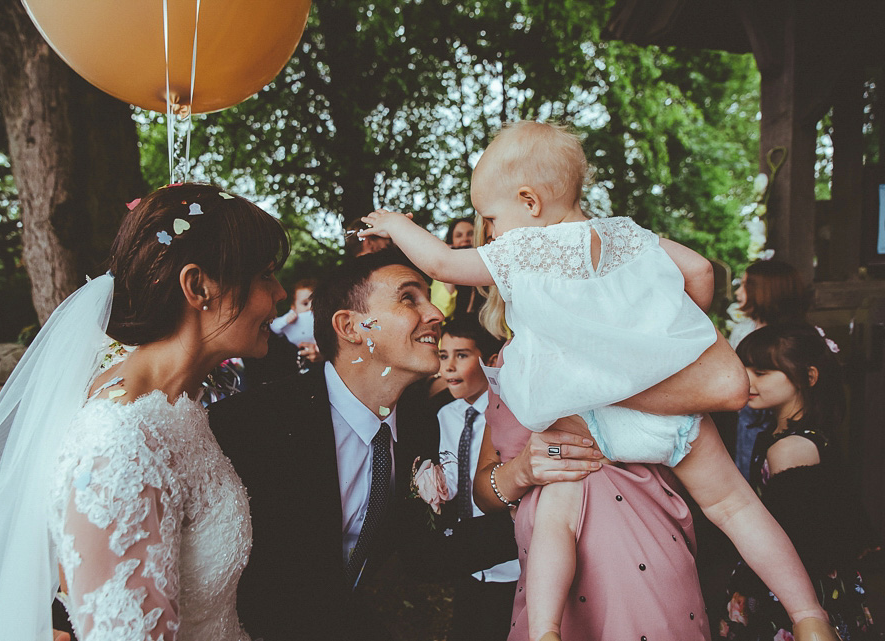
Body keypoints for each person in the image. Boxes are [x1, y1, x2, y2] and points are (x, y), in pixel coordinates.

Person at [359, 120, 839, 640]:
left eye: (493, 218)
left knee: (557, 518)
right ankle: (808, 614)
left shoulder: (525, 250)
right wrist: (667, 341)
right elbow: (701, 272)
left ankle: (545, 629)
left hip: (591, 420)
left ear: (529, 201)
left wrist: (394, 223)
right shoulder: (629, 235)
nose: (492, 233)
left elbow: (443, 263)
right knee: (736, 506)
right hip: (672, 416)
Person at [0, 183, 290, 641]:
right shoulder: (119, 448)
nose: (281, 293)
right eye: (266, 275)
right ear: (198, 287)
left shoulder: (176, 406)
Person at [207, 249, 546, 641]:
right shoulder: (255, 423)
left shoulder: (418, 424)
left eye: (429, 297)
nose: (436, 313)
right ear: (351, 327)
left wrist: (544, 521)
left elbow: (421, 552)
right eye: (409, 298)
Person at [717, 324, 882, 640]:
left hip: (792, 584)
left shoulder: (790, 448)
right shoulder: (800, 434)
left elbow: (796, 534)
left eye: (761, 372)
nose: (746, 379)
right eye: (744, 369)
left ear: (809, 377)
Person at [435, 315, 519, 641]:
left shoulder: (508, 413)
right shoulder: (446, 415)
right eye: (444, 356)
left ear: (490, 361)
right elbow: (453, 470)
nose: (450, 367)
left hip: (507, 550)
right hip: (467, 551)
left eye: (462, 355)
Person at [727, 259, 810, 479]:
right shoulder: (743, 330)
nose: (738, 291)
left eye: (745, 285)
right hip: (748, 416)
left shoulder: (798, 340)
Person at [430, 218, 482, 320]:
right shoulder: (441, 274)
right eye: (459, 236)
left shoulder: (491, 267)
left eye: (470, 234)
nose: (465, 239)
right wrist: (448, 263)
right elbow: (442, 312)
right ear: (451, 241)